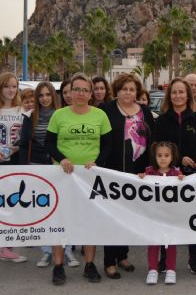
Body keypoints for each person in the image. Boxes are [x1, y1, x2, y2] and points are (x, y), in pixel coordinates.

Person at [45, 73, 112, 285]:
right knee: (59, 221)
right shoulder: (59, 115)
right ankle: (58, 266)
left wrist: (97, 161)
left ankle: (89, 265)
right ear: (69, 92)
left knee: (89, 222)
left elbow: (108, 144)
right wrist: (61, 158)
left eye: (85, 90)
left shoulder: (100, 115)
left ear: (91, 94)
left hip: (89, 178)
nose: (80, 93)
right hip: (62, 177)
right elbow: (48, 143)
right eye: (77, 89)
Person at [151, 77, 196, 274]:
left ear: (188, 94)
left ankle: (193, 257)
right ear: (170, 96)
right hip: (167, 179)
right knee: (166, 219)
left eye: (181, 92)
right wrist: (176, 161)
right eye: (174, 92)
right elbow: (156, 149)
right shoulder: (161, 120)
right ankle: (163, 258)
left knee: (191, 219)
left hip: (192, 179)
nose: (178, 96)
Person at [19, 82, 79, 269]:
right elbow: (24, 143)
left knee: (66, 210)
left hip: (60, 166)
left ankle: (67, 249)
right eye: (41, 95)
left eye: (48, 94)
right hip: (37, 166)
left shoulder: (64, 115)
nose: (44, 98)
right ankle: (46, 251)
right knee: (44, 211)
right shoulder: (30, 116)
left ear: (54, 96)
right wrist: (24, 168)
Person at [100, 73, 154, 278]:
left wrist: (149, 169)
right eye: (124, 89)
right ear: (117, 90)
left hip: (137, 171)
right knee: (111, 217)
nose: (128, 93)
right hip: (112, 171)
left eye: (132, 89)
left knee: (127, 216)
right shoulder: (106, 109)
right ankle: (109, 261)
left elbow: (152, 141)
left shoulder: (145, 112)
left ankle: (122, 255)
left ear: (137, 92)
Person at [0, 72, 28, 263]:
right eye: (7, 86)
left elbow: (25, 138)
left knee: (10, 204)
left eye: (14, 86)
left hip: (13, 162)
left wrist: (16, 147)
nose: (11, 90)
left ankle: (6, 247)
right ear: (0, 88)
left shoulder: (22, 111)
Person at [139, 141, 184, 285]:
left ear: (172, 157)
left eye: (166, 155)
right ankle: (153, 269)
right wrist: (139, 178)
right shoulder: (149, 172)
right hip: (154, 216)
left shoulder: (176, 173)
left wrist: (183, 180)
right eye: (159, 155)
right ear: (155, 156)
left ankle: (171, 270)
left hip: (171, 216)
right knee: (153, 243)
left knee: (171, 243)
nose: (163, 158)